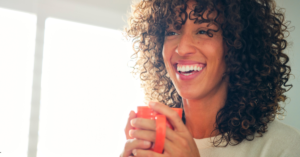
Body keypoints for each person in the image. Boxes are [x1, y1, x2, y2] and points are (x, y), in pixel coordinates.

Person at [120, 0, 300, 156]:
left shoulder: (284, 146)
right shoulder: (155, 141)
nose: (182, 49)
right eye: (172, 32)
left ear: (236, 45)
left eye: (204, 31)